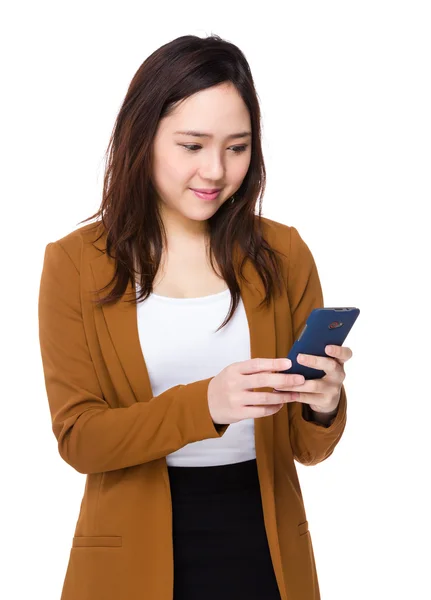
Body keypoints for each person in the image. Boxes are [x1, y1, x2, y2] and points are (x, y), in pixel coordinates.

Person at [38, 34, 351, 600]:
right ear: (143, 138)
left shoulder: (283, 253)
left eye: (237, 147)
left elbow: (308, 450)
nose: (215, 170)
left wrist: (325, 406)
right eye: (192, 145)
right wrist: (205, 404)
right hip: (130, 553)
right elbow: (79, 439)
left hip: (265, 546)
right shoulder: (75, 263)